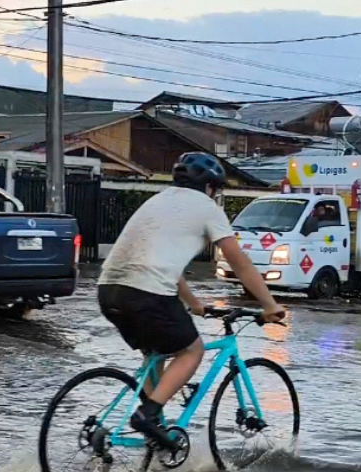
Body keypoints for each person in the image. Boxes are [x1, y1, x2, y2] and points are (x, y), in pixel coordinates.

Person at [97, 152, 286, 450]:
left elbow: (165, 266)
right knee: (191, 351)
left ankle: (154, 431)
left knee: (154, 354)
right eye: (217, 189)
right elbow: (240, 264)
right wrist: (270, 304)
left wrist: (194, 304)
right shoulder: (206, 208)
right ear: (210, 187)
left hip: (108, 291)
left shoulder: (157, 202)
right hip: (147, 293)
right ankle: (147, 415)